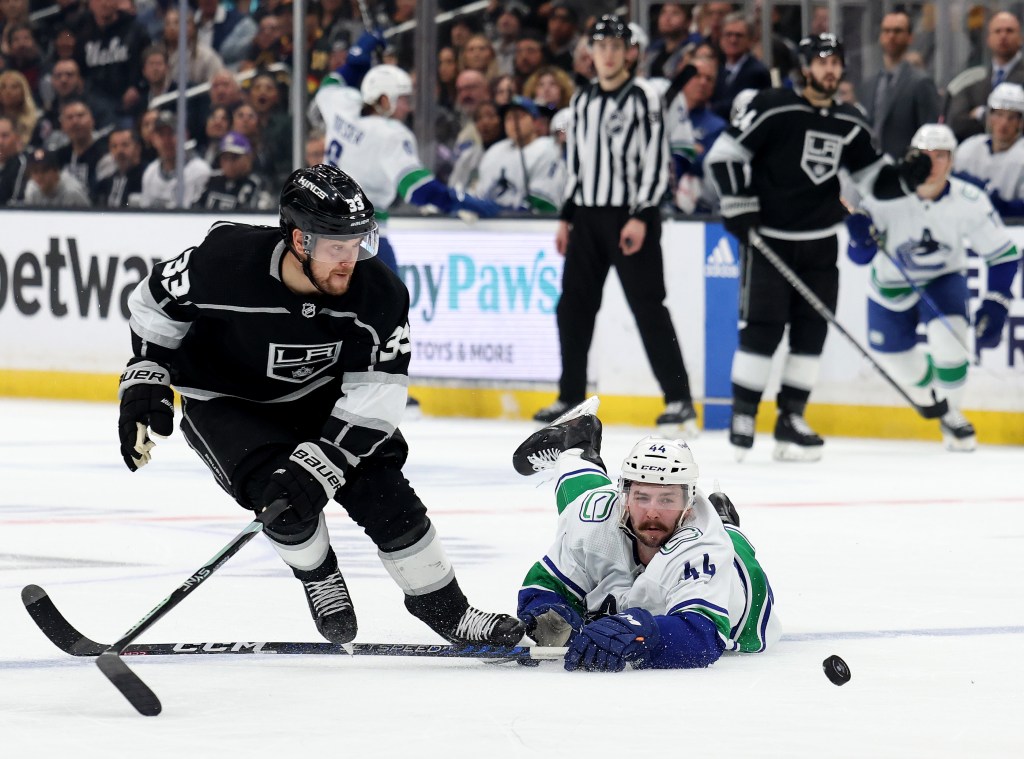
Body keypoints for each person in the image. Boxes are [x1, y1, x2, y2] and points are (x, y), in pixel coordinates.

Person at [116, 164, 525, 647]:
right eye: (336, 246)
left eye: (357, 243)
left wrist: (327, 460)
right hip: (226, 399)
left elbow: (380, 391)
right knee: (282, 501)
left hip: (323, 398)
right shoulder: (223, 260)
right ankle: (319, 576)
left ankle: (447, 609)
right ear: (298, 239)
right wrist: (147, 373)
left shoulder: (380, 295)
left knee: (386, 496)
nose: (349, 259)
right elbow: (154, 302)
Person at [705, 33, 933, 462]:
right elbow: (724, 155)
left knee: (811, 332)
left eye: (835, 62)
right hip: (770, 239)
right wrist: (739, 204)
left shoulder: (850, 119)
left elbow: (873, 179)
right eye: (821, 61)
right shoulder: (774, 106)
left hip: (820, 243)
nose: (829, 69)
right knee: (763, 330)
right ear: (805, 67)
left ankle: (791, 418)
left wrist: (908, 176)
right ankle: (744, 414)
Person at [511, 398, 780, 672]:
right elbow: (545, 584)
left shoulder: (705, 548)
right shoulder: (597, 515)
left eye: (667, 500)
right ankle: (577, 445)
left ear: (688, 504)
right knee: (578, 505)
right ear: (624, 498)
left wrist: (643, 634)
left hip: (740, 584)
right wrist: (549, 612)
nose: (652, 512)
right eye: (641, 497)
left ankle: (728, 522)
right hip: (610, 512)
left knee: (734, 547)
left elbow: (702, 637)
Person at [535, 15, 698, 436]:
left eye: (614, 46)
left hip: (630, 215)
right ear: (590, 52)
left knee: (648, 308)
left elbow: (654, 163)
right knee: (572, 307)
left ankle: (679, 401)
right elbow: (578, 166)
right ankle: (570, 396)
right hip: (587, 218)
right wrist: (567, 217)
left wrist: (642, 215)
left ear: (629, 52)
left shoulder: (645, 98)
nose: (606, 54)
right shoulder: (584, 100)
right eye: (599, 45)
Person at [846, 124, 1019, 451]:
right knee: (897, 362)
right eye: (925, 155)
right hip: (889, 286)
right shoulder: (884, 197)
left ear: (953, 161)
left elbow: (1004, 255)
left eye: (941, 156)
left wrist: (997, 301)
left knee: (950, 342)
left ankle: (951, 415)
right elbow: (859, 257)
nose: (933, 163)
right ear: (911, 157)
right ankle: (937, 392)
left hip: (943, 279)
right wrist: (859, 238)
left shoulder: (969, 200)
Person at [312, 62, 500, 274]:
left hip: (321, 235)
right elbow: (417, 189)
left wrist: (358, 56)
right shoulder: (391, 133)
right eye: (402, 99)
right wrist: (457, 200)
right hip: (362, 241)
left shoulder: (342, 106)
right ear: (384, 99)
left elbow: (331, 83)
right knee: (388, 304)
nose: (407, 107)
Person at [864, 10, 940, 159]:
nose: (891, 36)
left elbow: (930, 132)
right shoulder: (870, 84)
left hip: (904, 169)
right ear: (880, 36)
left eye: (897, 31)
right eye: (886, 30)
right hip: (870, 169)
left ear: (910, 37)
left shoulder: (921, 82)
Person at [475, 95, 564, 212]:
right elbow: (480, 194)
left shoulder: (548, 149)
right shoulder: (494, 151)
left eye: (519, 117)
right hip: (494, 223)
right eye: (509, 119)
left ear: (535, 122)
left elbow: (544, 204)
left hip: (531, 224)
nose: (514, 123)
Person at [946, 12, 1024, 142]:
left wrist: (981, 114)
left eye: (1009, 31)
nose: (1003, 36)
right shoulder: (973, 79)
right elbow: (957, 123)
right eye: (997, 31)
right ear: (988, 39)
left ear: (1020, 37)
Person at [954, 82, 1024, 218]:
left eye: (1011, 117)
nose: (1004, 123)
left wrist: (997, 202)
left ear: (1020, 122)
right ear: (989, 116)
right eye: (999, 114)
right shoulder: (969, 148)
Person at [193, 130, 274, 211]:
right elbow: (194, 210)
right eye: (225, 157)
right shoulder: (210, 180)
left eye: (234, 157)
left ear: (248, 158)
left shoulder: (257, 185)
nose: (229, 163)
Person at [91, 126, 144, 208]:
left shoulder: (146, 177)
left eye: (125, 145)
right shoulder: (106, 182)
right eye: (114, 146)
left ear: (137, 148)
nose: (119, 151)